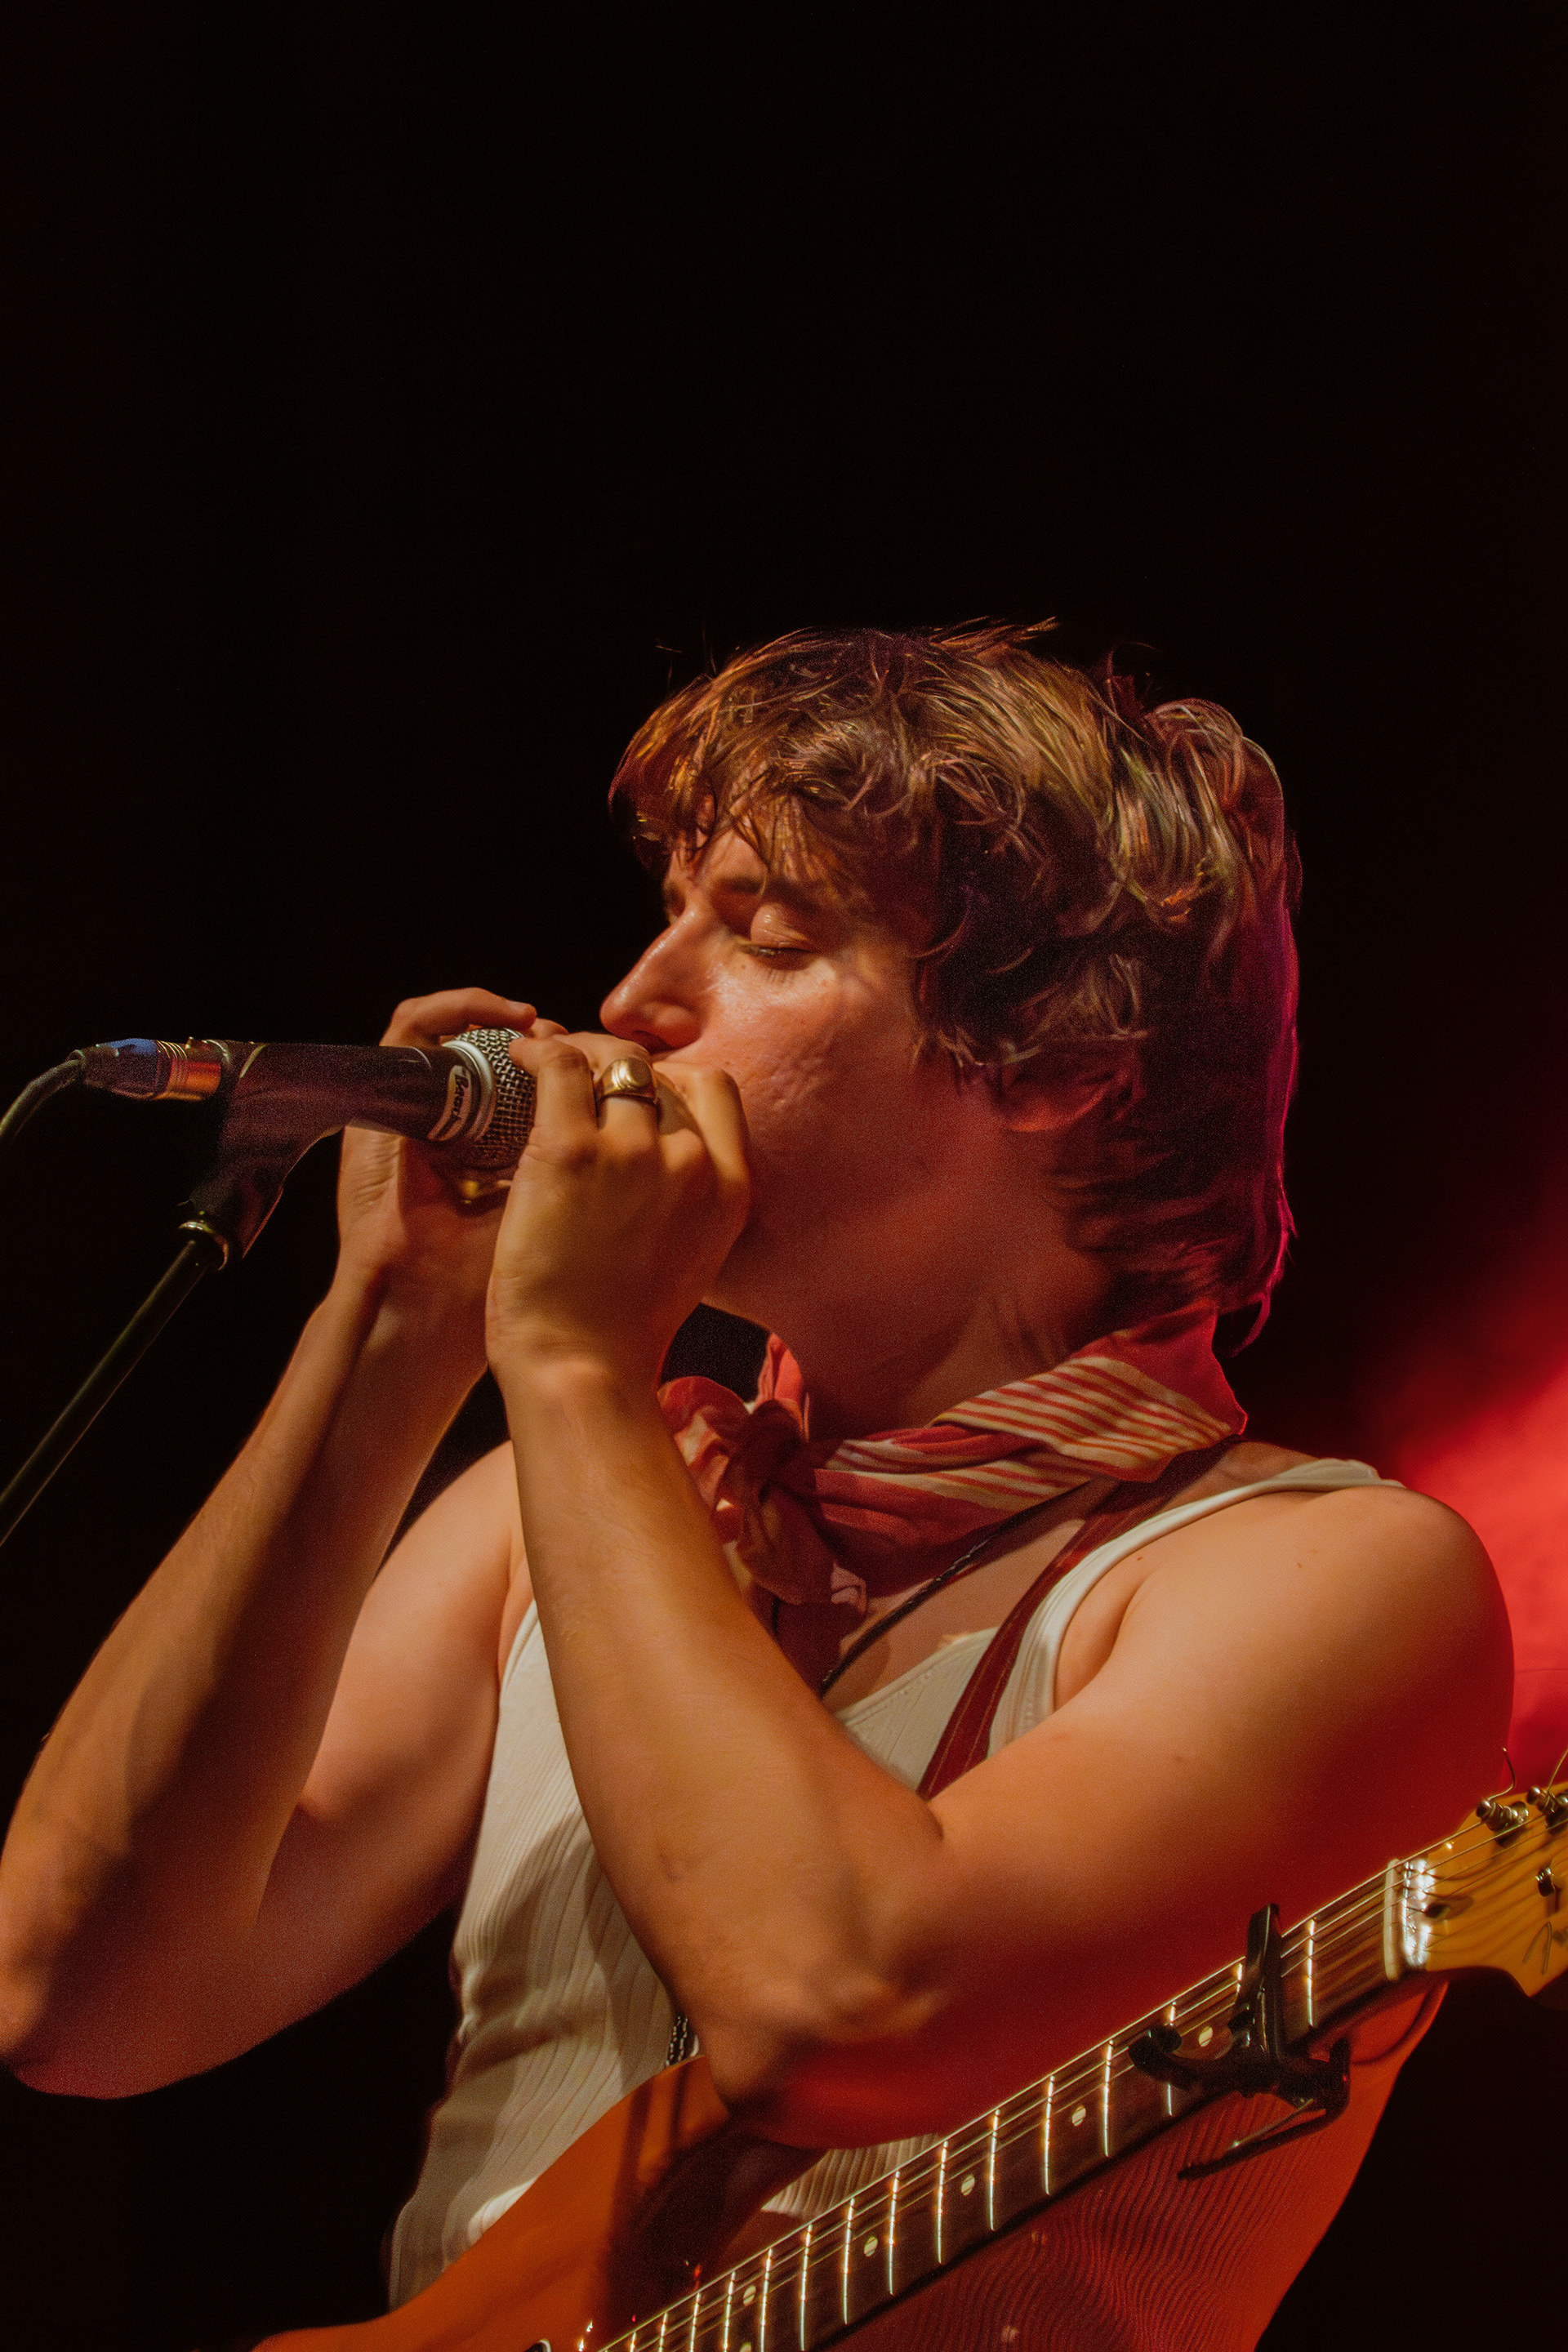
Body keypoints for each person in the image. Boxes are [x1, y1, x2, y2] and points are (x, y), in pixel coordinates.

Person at [0, 626, 1510, 2348]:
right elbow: (77, 1996)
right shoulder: (556, 1522)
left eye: (768, 937)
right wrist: (392, 1335)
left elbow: (840, 2002)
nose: (638, 1002)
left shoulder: (1318, 1575)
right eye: (673, 913)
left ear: (1060, 1061)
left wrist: (571, 1364)